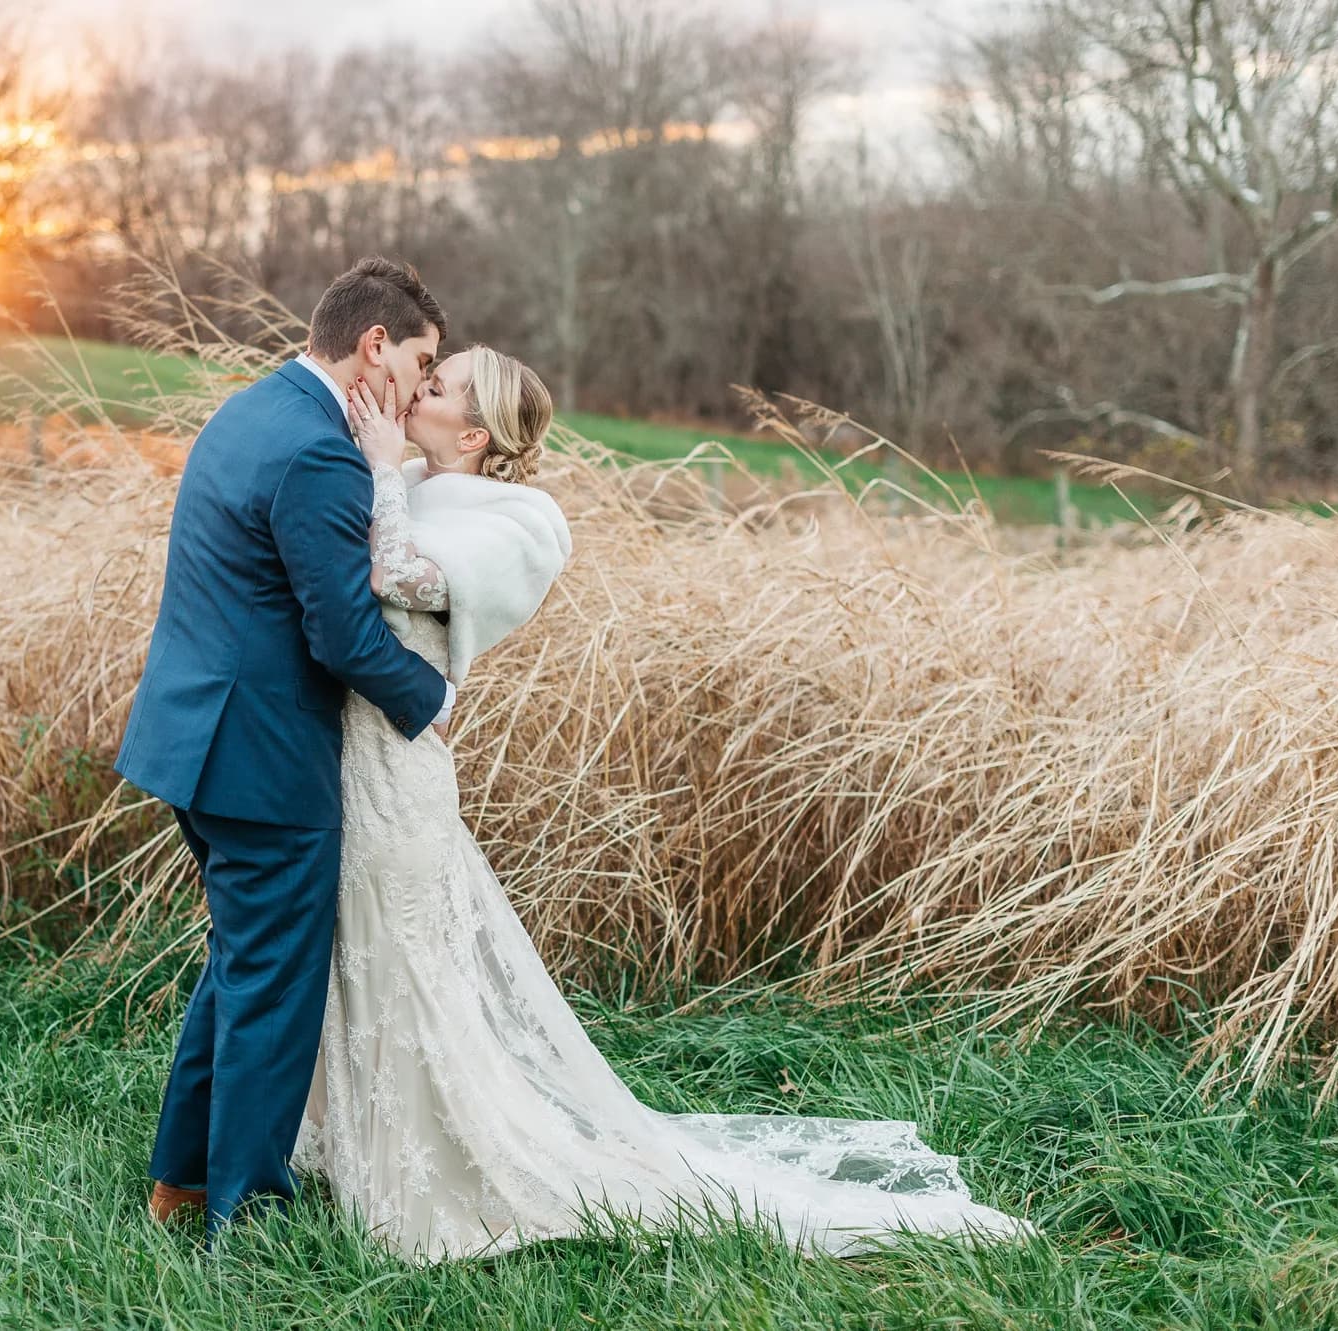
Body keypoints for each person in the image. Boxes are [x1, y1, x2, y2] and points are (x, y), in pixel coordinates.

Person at [286, 345, 1040, 1263]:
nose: (420, 391)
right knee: (349, 952)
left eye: (436, 388)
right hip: (347, 755)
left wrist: (373, 472)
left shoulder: (519, 518)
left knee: (401, 956)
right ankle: (337, 1142)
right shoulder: (407, 476)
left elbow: (395, 577)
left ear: (475, 433)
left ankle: (436, 1163)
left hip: (402, 773)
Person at [114, 257, 455, 1248]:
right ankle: (246, 1212)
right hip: (259, 756)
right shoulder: (318, 452)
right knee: (276, 980)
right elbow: (342, 634)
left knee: (242, 962)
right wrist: (427, 697)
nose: (416, 387)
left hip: (195, 738)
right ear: (372, 344)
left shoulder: (252, 408)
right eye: (417, 359)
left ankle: (179, 1181)